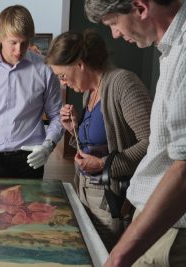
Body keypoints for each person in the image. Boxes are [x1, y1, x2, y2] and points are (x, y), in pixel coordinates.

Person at [84, 0, 186, 266]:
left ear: (140, 8)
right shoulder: (170, 50)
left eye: (114, 23)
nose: (116, 34)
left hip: (172, 228)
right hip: (158, 222)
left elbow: (184, 169)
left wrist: (119, 256)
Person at [45, 29, 152, 251]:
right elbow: (97, 144)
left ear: (80, 64)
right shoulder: (89, 93)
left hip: (112, 200)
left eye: (63, 76)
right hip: (86, 192)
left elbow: (153, 143)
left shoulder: (123, 84)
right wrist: (73, 128)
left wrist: (104, 165)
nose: (63, 84)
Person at [0, 5, 63, 179]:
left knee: (30, 207)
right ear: (0, 38)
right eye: (13, 42)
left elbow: (57, 115)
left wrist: (48, 146)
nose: (19, 50)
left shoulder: (44, 69)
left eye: (25, 43)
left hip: (30, 158)